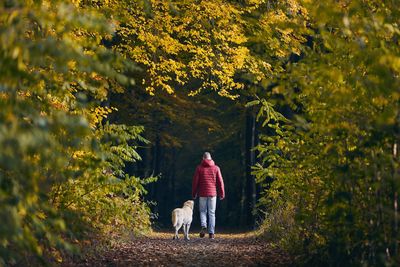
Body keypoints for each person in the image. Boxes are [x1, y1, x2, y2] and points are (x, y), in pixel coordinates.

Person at [192, 152, 225, 239]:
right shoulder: (216, 168)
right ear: (211, 158)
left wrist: (194, 193)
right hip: (213, 194)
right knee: (212, 213)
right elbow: (220, 182)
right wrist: (222, 193)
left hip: (202, 193)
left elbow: (195, 182)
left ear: (203, 158)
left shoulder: (199, 168)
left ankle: (203, 226)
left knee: (203, 211)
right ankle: (211, 233)